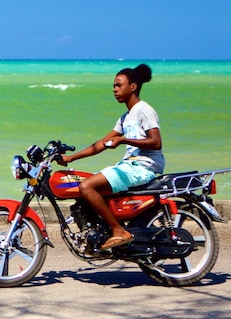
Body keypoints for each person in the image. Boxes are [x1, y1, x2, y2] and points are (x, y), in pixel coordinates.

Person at [57, 64, 164, 250]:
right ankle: (102, 232)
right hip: (130, 165)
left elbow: (156, 142)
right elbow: (102, 144)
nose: (114, 89)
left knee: (87, 186)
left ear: (133, 86)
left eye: (118, 85)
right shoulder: (125, 117)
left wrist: (123, 140)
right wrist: (70, 159)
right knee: (85, 186)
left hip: (144, 166)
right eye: (113, 86)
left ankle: (118, 230)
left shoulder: (143, 109)